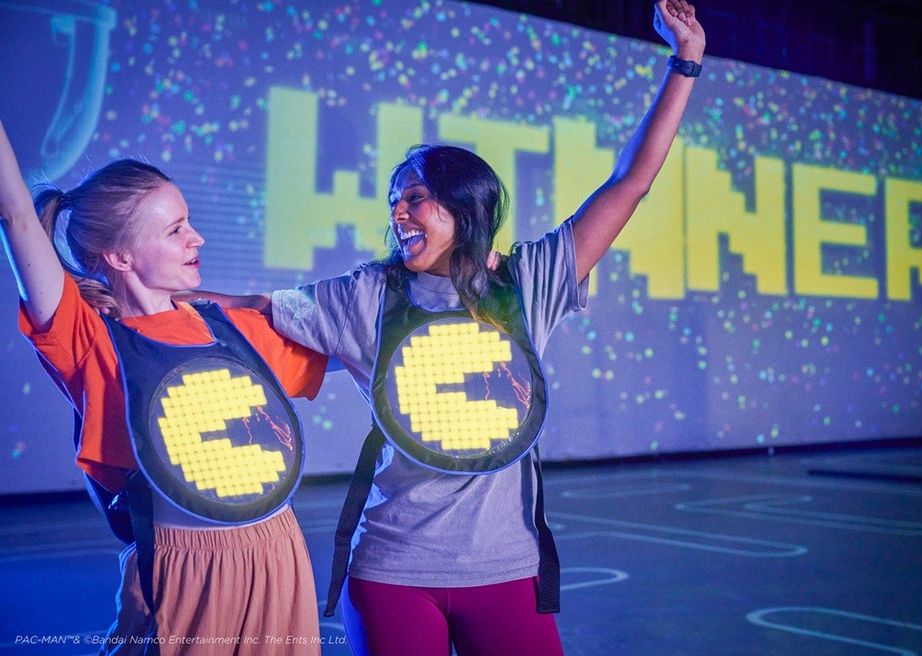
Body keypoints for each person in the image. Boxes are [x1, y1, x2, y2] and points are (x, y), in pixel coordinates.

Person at [207, 1, 704, 653]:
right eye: (393, 200)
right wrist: (138, 291)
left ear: (463, 207)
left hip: (506, 571)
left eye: (414, 196)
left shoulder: (526, 284)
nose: (398, 210)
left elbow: (631, 182)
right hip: (391, 571)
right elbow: (249, 307)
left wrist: (685, 63)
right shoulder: (367, 294)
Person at [0, 120, 329, 654]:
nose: (196, 237)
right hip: (184, 564)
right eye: (175, 229)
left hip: (279, 553)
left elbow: (358, 339)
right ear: (120, 256)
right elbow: (16, 217)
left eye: (190, 223)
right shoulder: (88, 340)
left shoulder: (235, 329)